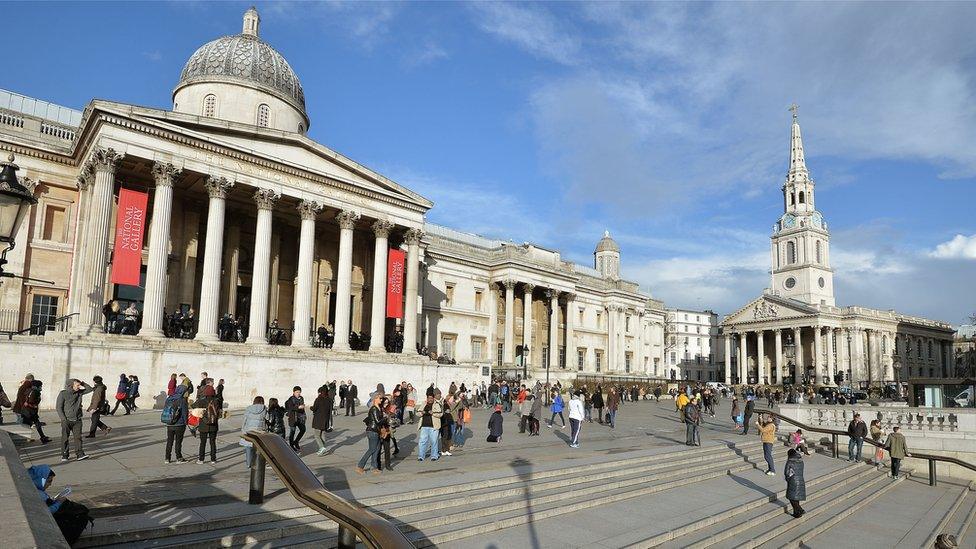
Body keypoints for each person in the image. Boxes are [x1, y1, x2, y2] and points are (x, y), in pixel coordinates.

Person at [29, 464, 93, 544]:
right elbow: (46, 512)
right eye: (49, 481)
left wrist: (54, 501)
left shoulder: (34, 488)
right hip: (44, 524)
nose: (50, 484)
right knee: (79, 517)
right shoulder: (38, 493)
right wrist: (58, 503)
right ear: (41, 480)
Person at [56, 379, 93, 462]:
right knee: (65, 438)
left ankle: (80, 454)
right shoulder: (63, 394)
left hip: (77, 420)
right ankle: (65, 455)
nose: (79, 387)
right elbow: (58, 407)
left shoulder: (79, 392)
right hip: (67, 420)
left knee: (78, 438)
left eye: (79, 385)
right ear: (71, 385)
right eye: (77, 385)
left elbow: (90, 389)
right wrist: (63, 419)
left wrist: (82, 383)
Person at [356, 392, 384, 474]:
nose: (381, 400)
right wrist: (385, 419)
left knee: (377, 449)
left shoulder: (378, 408)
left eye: (381, 398)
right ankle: (360, 466)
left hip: (376, 431)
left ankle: (374, 467)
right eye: (379, 398)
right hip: (372, 431)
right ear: (375, 399)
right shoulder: (374, 409)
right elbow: (378, 421)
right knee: (372, 449)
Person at [193, 385, 220, 464]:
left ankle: (201, 459)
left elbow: (192, 406)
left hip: (203, 424)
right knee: (212, 442)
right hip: (213, 424)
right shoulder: (216, 401)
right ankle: (213, 459)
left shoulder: (201, 400)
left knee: (203, 442)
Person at [162, 385, 189, 463]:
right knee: (178, 441)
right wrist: (186, 422)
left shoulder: (169, 398)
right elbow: (184, 413)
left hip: (169, 423)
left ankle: (167, 458)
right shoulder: (182, 400)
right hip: (179, 424)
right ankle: (179, 458)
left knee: (169, 441)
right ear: (183, 391)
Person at [240, 396, 267, 468]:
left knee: (248, 448)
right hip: (259, 430)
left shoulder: (248, 408)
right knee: (258, 447)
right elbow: (266, 419)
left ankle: (248, 463)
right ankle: (257, 462)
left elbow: (244, 420)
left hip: (248, 430)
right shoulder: (264, 408)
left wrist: (243, 429)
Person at [416, 392, 442, 461]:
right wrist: (421, 413)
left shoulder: (437, 404)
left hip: (434, 426)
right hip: (424, 426)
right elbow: (417, 413)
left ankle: (434, 456)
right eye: (428, 398)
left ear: (433, 398)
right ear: (427, 398)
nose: (430, 399)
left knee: (434, 441)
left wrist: (433, 413)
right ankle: (421, 456)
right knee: (422, 441)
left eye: (431, 398)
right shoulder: (423, 404)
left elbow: (441, 414)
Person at [784, 448, 806, 518]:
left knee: (791, 497)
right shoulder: (801, 461)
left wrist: (788, 479)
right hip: (800, 480)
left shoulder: (790, 461)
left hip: (793, 480)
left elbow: (787, 473)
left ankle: (800, 509)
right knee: (796, 497)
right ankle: (797, 513)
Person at [310, 385, 331, 456]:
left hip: (318, 420)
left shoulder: (318, 399)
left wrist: (311, 407)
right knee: (322, 434)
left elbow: (314, 408)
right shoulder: (329, 399)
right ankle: (322, 448)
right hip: (325, 419)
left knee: (316, 435)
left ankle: (322, 448)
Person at [285, 386, 307, 452]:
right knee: (292, 432)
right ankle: (291, 446)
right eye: (297, 392)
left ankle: (296, 441)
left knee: (303, 429)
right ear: (294, 392)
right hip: (293, 418)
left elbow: (302, 406)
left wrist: (303, 409)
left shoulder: (301, 398)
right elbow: (291, 408)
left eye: (299, 392)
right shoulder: (290, 399)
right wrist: (298, 407)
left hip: (300, 418)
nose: (298, 393)